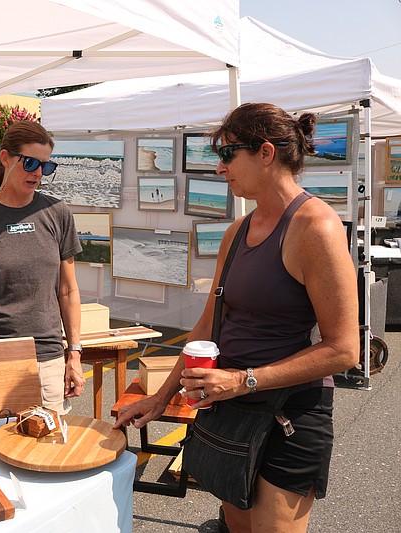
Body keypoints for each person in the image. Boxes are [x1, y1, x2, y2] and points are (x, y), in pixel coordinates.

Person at [114, 103, 359, 532]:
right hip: (230, 414)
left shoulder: (315, 227)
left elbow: (343, 350)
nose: (219, 169)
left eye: (227, 155)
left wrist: (242, 379)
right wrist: (160, 397)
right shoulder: (237, 230)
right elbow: (208, 326)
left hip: (289, 418)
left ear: (266, 153)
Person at [0, 120, 85, 414]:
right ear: (5, 158)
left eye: (46, 166)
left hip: (46, 357)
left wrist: (74, 354)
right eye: (30, 162)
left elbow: (68, 290)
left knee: (47, 451)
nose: (37, 173)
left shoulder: (57, 213)